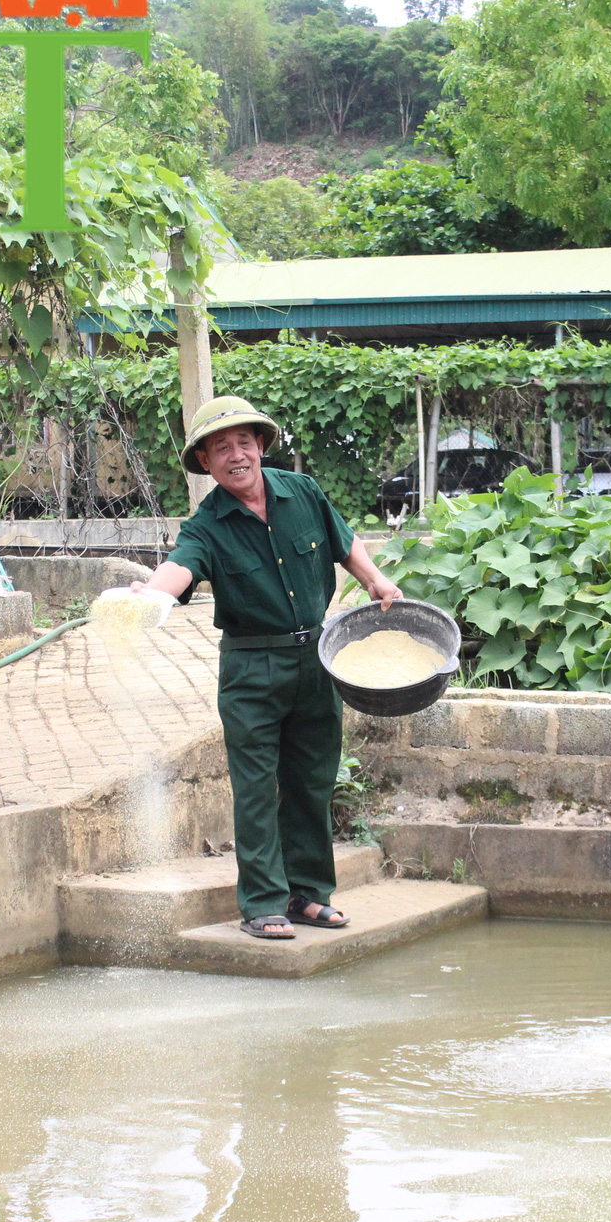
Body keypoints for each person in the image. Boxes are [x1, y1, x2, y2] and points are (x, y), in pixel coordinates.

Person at [132, 396, 403, 940]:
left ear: (260, 446)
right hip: (252, 666)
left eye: (244, 443)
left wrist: (375, 579)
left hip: (318, 659)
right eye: (221, 448)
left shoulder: (302, 493)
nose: (236, 455)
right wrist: (150, 597)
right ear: (206, 463)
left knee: (312, 779)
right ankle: (261, 904)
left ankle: (308, 895)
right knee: (256, 786)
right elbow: (179, 568)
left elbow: (344, 542)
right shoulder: (206, 525)